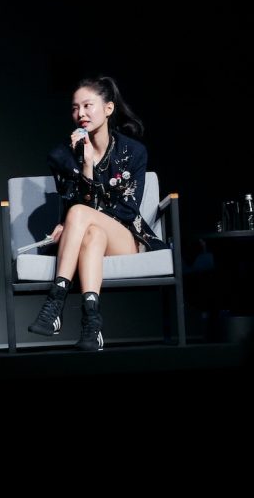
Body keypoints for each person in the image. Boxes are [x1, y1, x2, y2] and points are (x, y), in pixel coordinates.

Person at [28, 75, 167, 351]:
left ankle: (55, 303)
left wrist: (75, 218)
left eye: (87, 105)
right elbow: (72, 204)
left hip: (125, 236)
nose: (80, 113)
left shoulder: (133, 152)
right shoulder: (62, 156)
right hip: (89, 236)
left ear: (108, 108)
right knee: (91, 233)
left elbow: (127, 210)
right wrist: (86, 165)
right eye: (75, 108)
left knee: (81, 216)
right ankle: (92, 322)